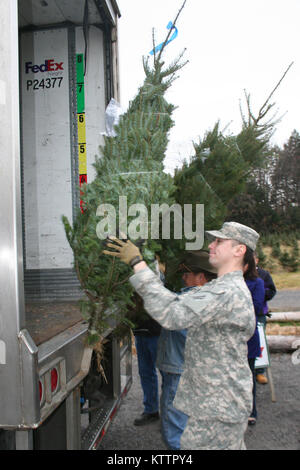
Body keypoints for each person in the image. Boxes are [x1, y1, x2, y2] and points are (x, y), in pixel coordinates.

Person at [103, 221, 259, 450]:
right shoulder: (219, 289)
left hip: (217, 411)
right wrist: (149, 263)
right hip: (214, 406)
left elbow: (172, 313)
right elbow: (175, 301)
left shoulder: (226, 292)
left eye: (219, 241)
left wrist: (137, 263)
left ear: (239, 250)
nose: (211, 245)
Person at [156, 251, 217, 450]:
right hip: (194, 371)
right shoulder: (213, 297)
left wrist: (143, 266)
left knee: (174, 428)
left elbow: (163, 304)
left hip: (180, 372)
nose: (183, 277)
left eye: (188, 274)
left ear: (201, 278)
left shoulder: (192, 300)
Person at [243, 254, 265, 425]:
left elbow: (256, 306)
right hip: (231, 339)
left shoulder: (256, 282)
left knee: (249, 375)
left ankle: (252, 411)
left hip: (248, 337)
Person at [254, 252, 277, 385]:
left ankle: (260, 372)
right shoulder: (241, 274)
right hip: (245, 313)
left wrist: (260, 296)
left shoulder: (264, 274)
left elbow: (272, 290)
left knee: (260, 341)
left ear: (257, 260)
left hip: (260, 313)